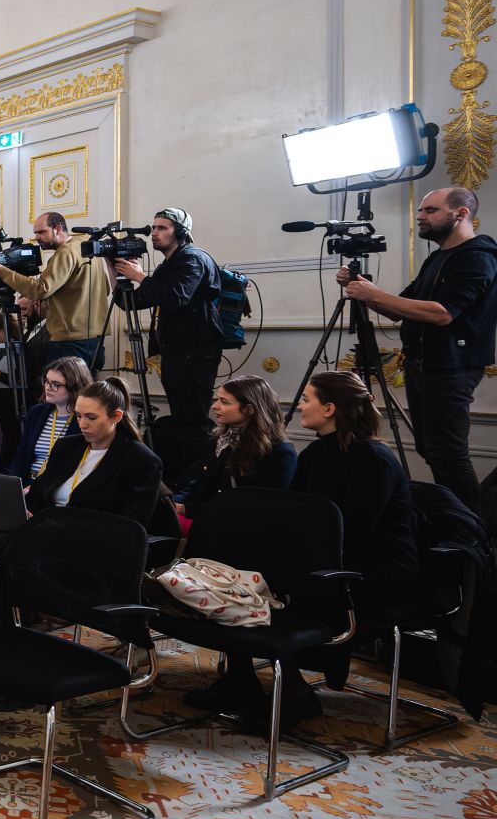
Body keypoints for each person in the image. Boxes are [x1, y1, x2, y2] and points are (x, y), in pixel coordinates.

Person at [185, 372, 415, 730]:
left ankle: (294, 695)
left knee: (273, 588)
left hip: (373, 568)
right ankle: (240, 680)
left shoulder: (375, 459)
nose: (299, 406)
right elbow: (296, 517)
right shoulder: (318, 452)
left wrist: (285, 562)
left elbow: (354, 531)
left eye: (307, 399)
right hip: (327, 556)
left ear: (329, 408)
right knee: (237, 574)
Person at [338, 186, 497, 511]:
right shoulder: (437, 259)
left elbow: (442, 313)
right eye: (421, 210)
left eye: (430, 211)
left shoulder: (477, 257)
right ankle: (454, 523)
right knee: (431, 448)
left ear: (461, 213)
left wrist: (374, 295)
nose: (420, 217)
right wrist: (362, 290)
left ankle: (470, 533)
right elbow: (399, 309)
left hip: (451, 367)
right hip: (423, 364)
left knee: (448, 454)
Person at [110, 208, 224, 471]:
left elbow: (176, 297)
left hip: (195, 352)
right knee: (184, 420)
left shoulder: (192, 260)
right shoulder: (169, 264)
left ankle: (197, 480)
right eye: (154, 227)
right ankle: (184, 476)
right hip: (175, 353)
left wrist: (140, 276)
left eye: (162, 228)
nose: (154, 233)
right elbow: (132, 302)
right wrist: (113, 267)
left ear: (180, 232)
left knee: (193, 423)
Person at [25, 376, 163, 525]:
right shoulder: (65, 447)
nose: (82, 424)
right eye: (78, 416)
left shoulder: (141, 460)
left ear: (116, 416)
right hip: (46, 530)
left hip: (94, 540)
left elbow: (129, 525)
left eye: (91, 418)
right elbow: (36, 495)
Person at [0, 211, 111, 367]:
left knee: (63, 389)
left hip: (70, 341)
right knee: (83, 389)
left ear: (57, 229)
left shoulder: (65, 252)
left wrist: (3, 272)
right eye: (35, 233)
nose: (37, 237)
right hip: (95, 339)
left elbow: (41, 289)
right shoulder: (86, 249)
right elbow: (106, 289)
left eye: (41, 232)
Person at [172, 375, 296, 514]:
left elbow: (260, 507)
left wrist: (186, 509)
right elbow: (198, 483)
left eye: (224, 402)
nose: (214, 406)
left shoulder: (279, 452)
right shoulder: (220, 439)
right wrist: (174, 504)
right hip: (206, 515)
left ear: (249, 409)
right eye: (217, 399)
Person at [7, 357, 90, 482]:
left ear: (75, 386)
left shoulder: (84, 419)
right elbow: (21, 456)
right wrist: (12, 483)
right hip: (28, 482)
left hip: (57, 486)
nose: (48, 387)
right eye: (46, 381)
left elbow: (74, 467)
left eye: (56, 384)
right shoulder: (37, 412)